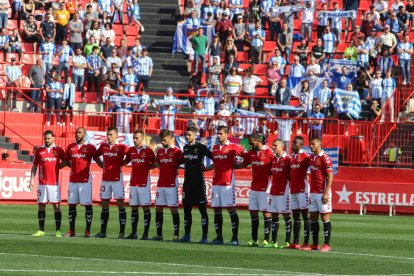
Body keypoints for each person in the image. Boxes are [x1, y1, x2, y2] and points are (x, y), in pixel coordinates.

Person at [205, 125, 247, 246]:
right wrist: (204, 169)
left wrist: (241, 166)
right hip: (216, 183)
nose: (218, 136)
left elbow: (247, 156)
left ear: (227, 134)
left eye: (221, 134)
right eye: (217, 133)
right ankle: (219, 237)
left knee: (231, 210)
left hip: (227, 183)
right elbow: (215, 164)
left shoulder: (234, 147)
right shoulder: (215, 147)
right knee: (217, 210)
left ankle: (235, 238)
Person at [60, 128, 99, 237]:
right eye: (76, 133)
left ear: (84, 134)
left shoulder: (90, 147)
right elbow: (67, 161)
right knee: (72, 205)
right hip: (73, 180)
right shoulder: (71, 147)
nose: (77, 134)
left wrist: (105, 167)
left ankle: (87, 231)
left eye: (79, 133)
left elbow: (98, 160)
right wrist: (57, 167)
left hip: (85, 180)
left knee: (87, 205)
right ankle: (71, 230)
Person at [236, 134, 273, 247]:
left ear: (258, 141)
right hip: (254, 187)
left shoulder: (269, 152)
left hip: (265, 187)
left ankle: (266, 239)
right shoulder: (251, 152)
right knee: (253, 212)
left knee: (266, 213)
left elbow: (274, 167)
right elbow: (243, 163)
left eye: (252, 142)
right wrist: (231, 165)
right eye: (249, 143)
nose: (250, 145)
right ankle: (254, 239)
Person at [29, 130, 65, 237]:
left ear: (53, 138)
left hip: (54, 183)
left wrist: (58, 166)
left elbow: (67, 161)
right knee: (41, 206)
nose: (47, 140)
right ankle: (41, 230)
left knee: (56, 206)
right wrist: (31, 179)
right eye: (45, 138)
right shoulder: (39, 150)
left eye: (49, 138)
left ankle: (58, 231)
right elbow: (35, 166)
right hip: (42, 183)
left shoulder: (58, 150)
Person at [179, 127, 212, 243]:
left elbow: (215, 159)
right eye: (186, 135)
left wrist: (206, 169)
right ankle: (187, 235)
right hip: (187, 183)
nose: (187, 137)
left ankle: (204, 237)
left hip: (198, 182)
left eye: (189, 135)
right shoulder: (185, 148)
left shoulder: (201, 148)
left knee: (202, 209)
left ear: (194, 135)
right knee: (186, 209)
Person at [94, 127, 129, 239]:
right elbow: (95, 155)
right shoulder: (103, 146)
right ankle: (103, 232)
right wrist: (100, 164)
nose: (108, 137)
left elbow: (130, 155)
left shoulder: (122, 147)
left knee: (120, 204)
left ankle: (122, 233)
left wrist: (123, 163)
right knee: (104, 204)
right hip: (105, 179)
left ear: (116, 136)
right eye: (107, 134)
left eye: (110, 135)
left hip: (117, 179)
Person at [123, 130, 156, 240]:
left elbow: (155, 163)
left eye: (137, 138)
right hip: (133, 183)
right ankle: (134, 233)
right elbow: (125, 161)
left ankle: (145, 234)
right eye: (133, 138)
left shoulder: (148, 151)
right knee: (133, 208)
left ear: (142, 138)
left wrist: (147, 168)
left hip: (144, 183)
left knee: (146, 207)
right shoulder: (131, 150)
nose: (135, 140)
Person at [151, 130, 184, 241]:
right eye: (162, 140)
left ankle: (176, 235)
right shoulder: (160, 151)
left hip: (172, 184)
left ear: (171, 138)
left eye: (164, 140)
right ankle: (159, 235)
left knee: (173, 209)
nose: (163, 142)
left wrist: (176, 169)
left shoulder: (177, 151)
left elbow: (183, 163)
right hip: (161, 184)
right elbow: (155, 162)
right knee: (158, 208)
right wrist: (161, 168)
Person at [303, 138, 333, 252]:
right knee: (313, 217)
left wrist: (326, 193)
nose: (311, 146)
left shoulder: (325, 158)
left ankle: (327, 244)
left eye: (313, 144)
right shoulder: (311, 157)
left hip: (322, 192)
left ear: (319, 145)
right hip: (313, 192)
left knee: (325, 217)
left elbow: (330, 176)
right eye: (310, 144)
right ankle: (315, 244)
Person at [267, 139, 292, 248]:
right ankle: (274, 241)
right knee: (274, 215)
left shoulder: (288, 159)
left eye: (275, 145)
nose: (273, 147)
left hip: (284, 191)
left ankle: (287, 241)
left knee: (286, 215)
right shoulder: (273, 159)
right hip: (273, 191)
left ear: (282, 147)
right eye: (273, 145)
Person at [287, 136, 311, 249]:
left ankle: (306, 242)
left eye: (294, 143)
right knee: (296, 216)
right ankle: (295, 242)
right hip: (293, 190)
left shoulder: (305, 157)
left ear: (301, 145)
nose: (292, 145)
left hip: (302, 190)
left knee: (306, 216)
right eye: (292, 143)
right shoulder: (292, 157)